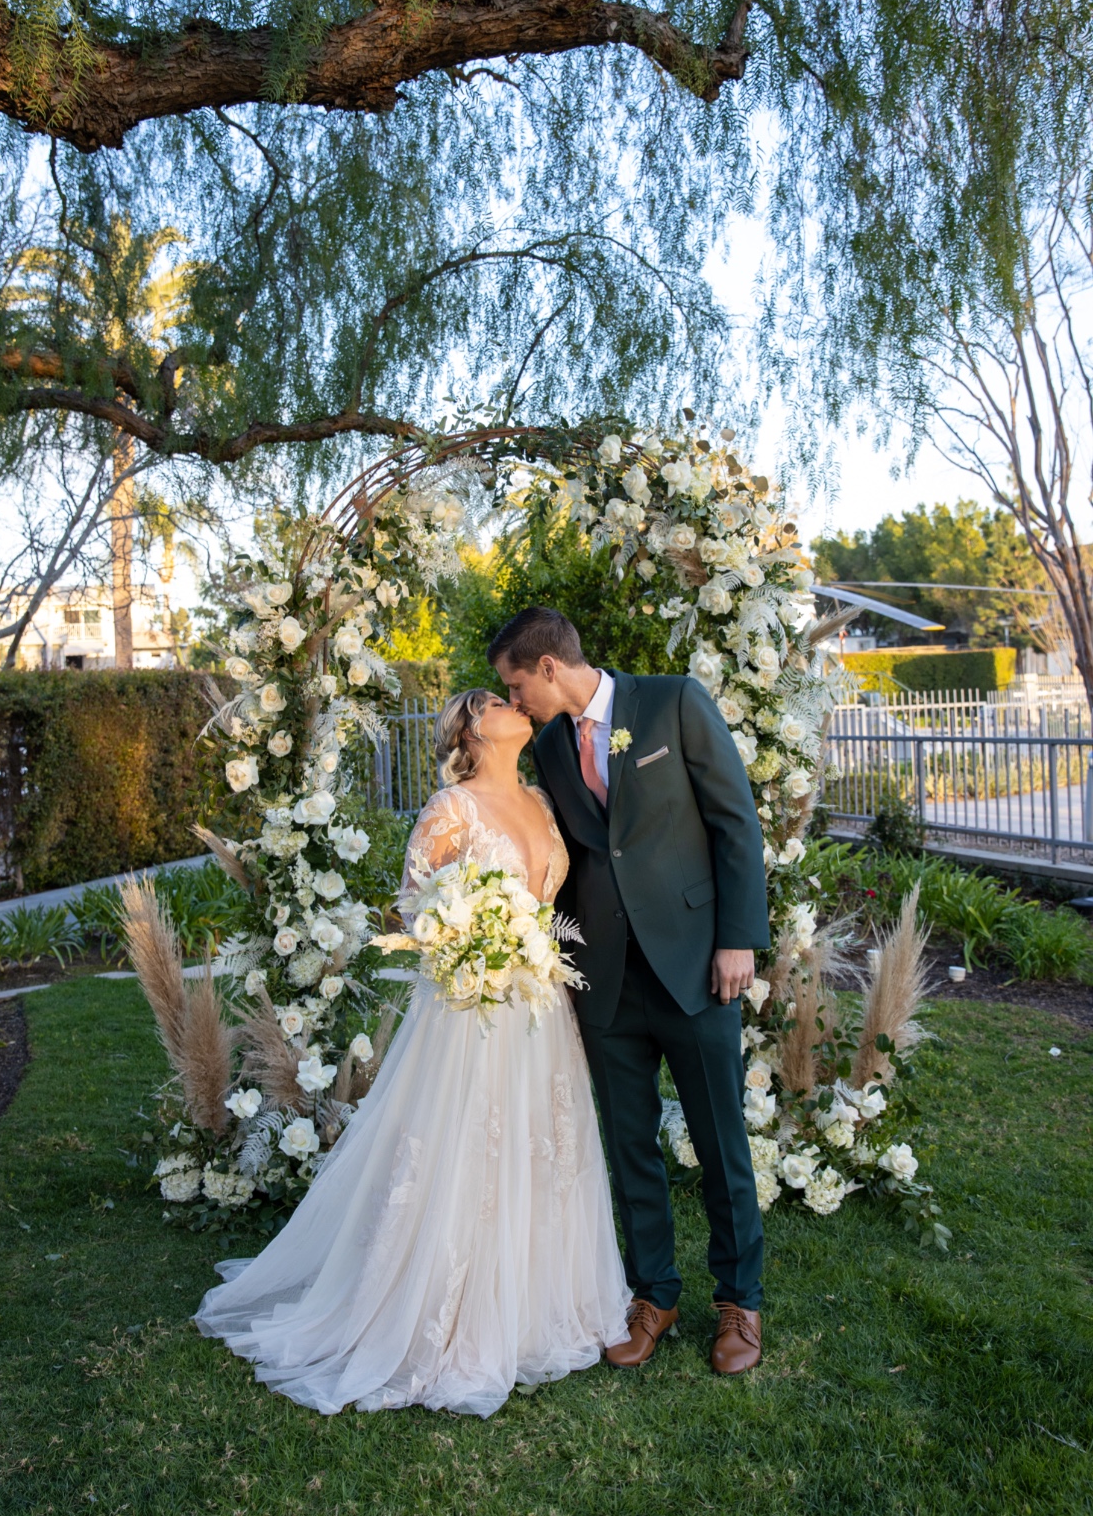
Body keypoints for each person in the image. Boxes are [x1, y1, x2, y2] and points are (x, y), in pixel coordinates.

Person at [195, 687, 630, 1416]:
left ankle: (539, 1301)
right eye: (496, 701)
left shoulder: (544, 801)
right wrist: (475, 941)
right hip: (470, 1014)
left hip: (542, 1007)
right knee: (468, 1152)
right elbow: (413, 908)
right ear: (471, 729)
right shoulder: (447, 810)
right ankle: (443, 1311)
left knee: (543, 1147)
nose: (514, 704)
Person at [491, 606, 770, 1375]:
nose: (515, 704)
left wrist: (737, 937)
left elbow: (734, 824)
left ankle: (738, 1304)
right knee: (629, 1147)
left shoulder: (674, 700)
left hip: (696, 967)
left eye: (516, 686)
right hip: (605, 981)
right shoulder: (548, 746)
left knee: (721, 1143)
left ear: (548, 667)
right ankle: (654, 1294)